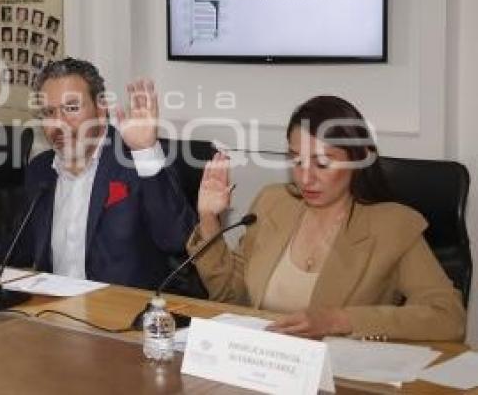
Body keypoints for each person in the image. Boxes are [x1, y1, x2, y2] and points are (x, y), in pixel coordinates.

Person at [190, 95, 465, 342]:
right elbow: (232, 296)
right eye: (297, 161)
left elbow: (448, 317)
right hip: (267, 365)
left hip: (341, 373)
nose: (305, 178)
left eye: (322, 163)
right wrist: (209, 218)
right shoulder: (273, 203)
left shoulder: (392, 226)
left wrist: (340, 321)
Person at [0, 58, 194, 290]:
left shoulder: (137, 162)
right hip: (56, 312)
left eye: (71, 108)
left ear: (101, 109)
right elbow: (25, 244)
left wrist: (145, 151)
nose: (58, 123)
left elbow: (177, 240)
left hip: (122, 317)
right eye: (49, 112)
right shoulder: (41, 170)